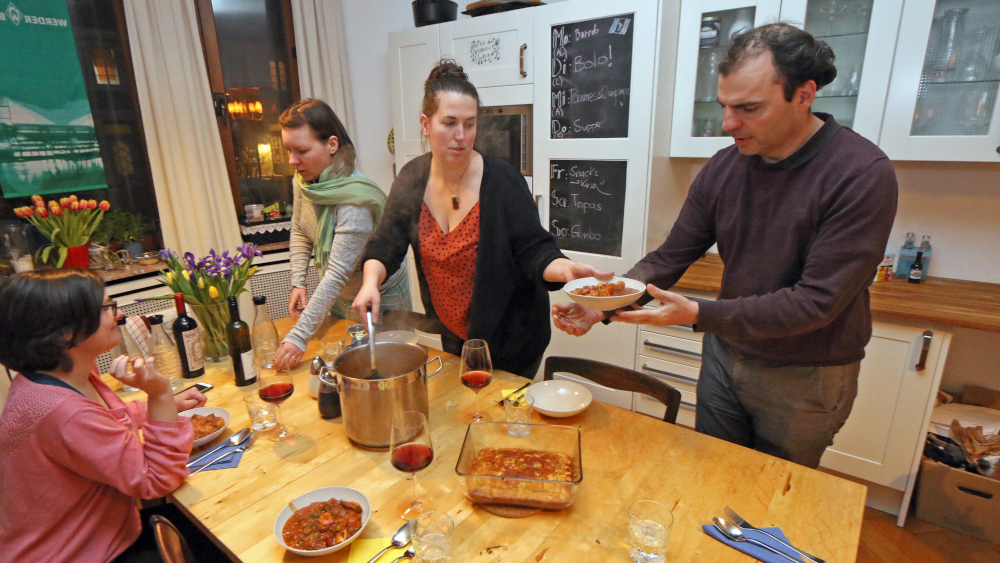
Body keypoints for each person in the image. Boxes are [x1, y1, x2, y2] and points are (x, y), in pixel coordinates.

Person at [553, 24, 898, 469]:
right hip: (725, 353)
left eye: (749, 108)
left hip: (806, 372)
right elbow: (671, 255)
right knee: (714, 472)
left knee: (778, 491)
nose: (728, 124)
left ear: (804, 94)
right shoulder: (726, 166)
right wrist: (606, 302)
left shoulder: (861, 173)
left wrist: (700, 314)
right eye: (725, 106)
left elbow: (816, 303)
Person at [352, 60, 608, 378]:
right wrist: (369, 284)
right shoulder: (412, 178)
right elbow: (386, 243)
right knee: (466, 412)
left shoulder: (502, 182)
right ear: (425, 123)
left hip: (513, 337)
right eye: (449, 123)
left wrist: (566, 269)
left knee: (498, 415)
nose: (461, 135)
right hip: (455, 334)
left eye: (470, 124)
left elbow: (534, 250)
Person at [0, 269, 208, 562]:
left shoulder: (53, 378)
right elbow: (157, 480)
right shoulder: (65, 413)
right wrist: (159, 394)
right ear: (65, 332)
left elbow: (106, 420)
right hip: (79, 553)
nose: (119, 314)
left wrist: (167, 405)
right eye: (107, 308)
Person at [272, 99, 411, 370]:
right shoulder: (305, 182)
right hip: (339, 296)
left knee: (386, 372)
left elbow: (336, 272)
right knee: (346, 368)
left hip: (380, 299)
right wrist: (298, 281)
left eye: (301, 150)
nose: (292, 161)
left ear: (332, 145)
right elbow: (301, 228)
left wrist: (299, 336)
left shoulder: (354, 202)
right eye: (288, 150)